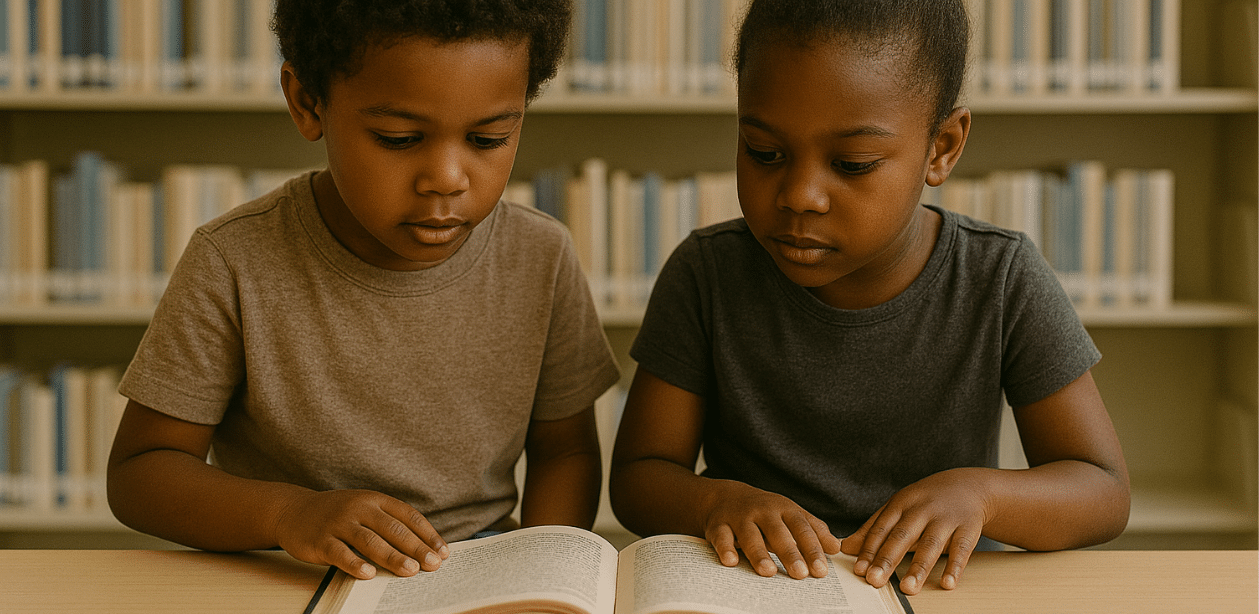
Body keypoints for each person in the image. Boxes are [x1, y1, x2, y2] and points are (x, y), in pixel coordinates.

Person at [609, 0, 1130, 597]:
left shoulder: (1000, 278)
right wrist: (715, 502)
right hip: (754, 590)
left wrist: (982, 495)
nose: (801, 195)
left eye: (852, 164)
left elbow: (1103, 490)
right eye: (763, 153)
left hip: (932, 593)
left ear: (942, 148)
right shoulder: (706, 274)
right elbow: (638, 477)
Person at [108, 0, 620, 582]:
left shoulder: (541, 256)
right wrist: (290, 514)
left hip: (472, 575)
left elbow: (566, 451)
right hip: (285, 572)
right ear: (308, 103)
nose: (447, 179)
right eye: (399, 139)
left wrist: (543, 569)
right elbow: (140, 472)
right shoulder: (234, 260)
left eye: (488, 139)